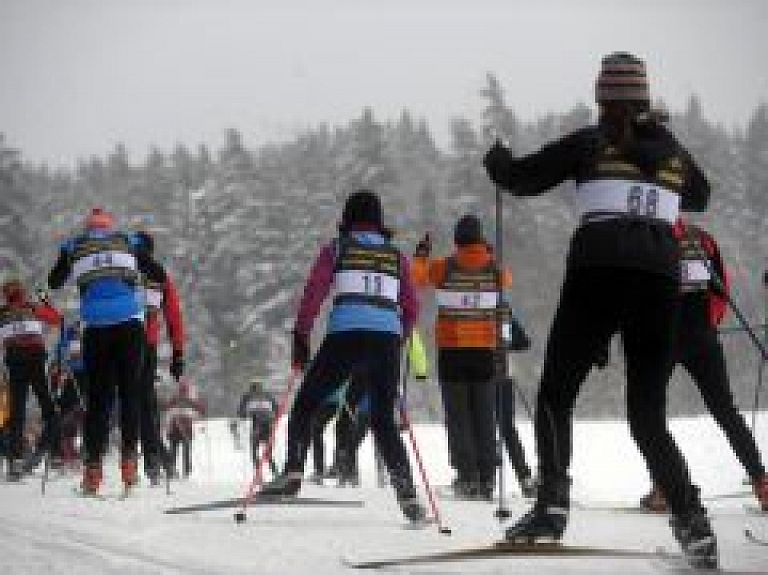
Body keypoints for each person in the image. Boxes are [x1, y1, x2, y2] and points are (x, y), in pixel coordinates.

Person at [483, 53, 717, 567]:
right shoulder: (672, 148)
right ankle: (692, 521)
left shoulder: (591, 141)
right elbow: (700, 197)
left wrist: (497, 159)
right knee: (646, 414)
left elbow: (522, 178)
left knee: (555, 392)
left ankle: (551, 506)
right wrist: (664, 145)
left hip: (599, 270)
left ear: (603, 97)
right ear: (644, 97)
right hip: (660, 279)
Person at [260, 189, 427, 523]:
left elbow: (314, 292)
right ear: (379, 221)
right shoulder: (397, 257)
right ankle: (406, 486)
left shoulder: (336, 250)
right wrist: (399, 335)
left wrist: (301, 335)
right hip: (386, 340)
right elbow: (411, 306)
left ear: (347, 218)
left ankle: (292, 472)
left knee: (307, 403)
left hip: (346, 335)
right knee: (382, 418)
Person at [639, 220, 768, 512]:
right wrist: (709, 325)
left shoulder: (646, 236)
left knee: (649, 414)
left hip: (662, 336)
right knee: (725, 410)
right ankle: (761, 481)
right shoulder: (702, 238)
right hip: (701, 335)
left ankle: (664, 487)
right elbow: (721, 289)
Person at [48, 207, 164, 494]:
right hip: (130, 327)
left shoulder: (74, 246)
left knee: (98, 400)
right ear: (110, 227)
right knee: (130, 396)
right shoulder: (127, 241)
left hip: (96, 328)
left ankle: (93, 473)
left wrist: (69, 259)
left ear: (88, 229)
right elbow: (158, 274)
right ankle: (129, 468)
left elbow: (54, 282)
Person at [412, 215, 524, 500]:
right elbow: (507, 279)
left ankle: (467, 477)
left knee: (458, 416)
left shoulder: (444, 268)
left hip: (452, 352)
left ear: (457, 240)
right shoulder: (495, 271)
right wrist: (488, 254)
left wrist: (421, 255)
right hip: (486, 353)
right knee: (485, 415)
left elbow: (416, 279)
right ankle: (487, 477)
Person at [135, 231, 185, 485]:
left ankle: (103, 461)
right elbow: (174, 316)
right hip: (146, 344)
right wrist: (178, 353)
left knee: (131, 403)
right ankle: (156, 462)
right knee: (145, 404)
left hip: (116, 342)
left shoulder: (121, 270)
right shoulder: (158, 275)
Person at [0, 277, 62, 480]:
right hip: (34, 360)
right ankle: (50, 452)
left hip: (16, 362)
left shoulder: (3, 313)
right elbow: (57, 319)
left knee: (17, 412)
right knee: (49, 409)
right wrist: (45, 302)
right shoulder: (32, 307)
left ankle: (16, 460)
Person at [164, 377, 205, 478]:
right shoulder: (176, 399)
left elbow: (200, 410)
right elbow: (166, 409)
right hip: (176, 429)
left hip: (184, 429)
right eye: (182, 390)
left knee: (182, 451)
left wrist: (201, 406)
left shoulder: (188, 400)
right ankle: (174, 470)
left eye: (184, 390)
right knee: (176, 451)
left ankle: (183, 471)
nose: (183, 392)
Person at [238, 380, 278, 475]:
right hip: (269, 426)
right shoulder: (268, 396)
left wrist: (247, 414)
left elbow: (241, 413)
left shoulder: (247, 397)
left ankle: (259, 474)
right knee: (268, 453)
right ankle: (274, 472)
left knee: (254, 450)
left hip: (257, 426)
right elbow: (277, 409)